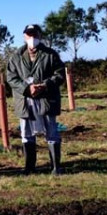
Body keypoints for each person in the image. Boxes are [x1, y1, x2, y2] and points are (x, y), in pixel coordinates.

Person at [6, 24, 66, 175]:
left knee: (52, 131)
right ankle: (30, 167)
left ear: (40, 36)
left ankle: (55, 167)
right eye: (29, 35)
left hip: (46, 99)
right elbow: (11, 78)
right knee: (27, 134)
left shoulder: (51, 55)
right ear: (24, 36)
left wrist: (45, 85)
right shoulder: (15, 57)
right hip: (25, 101)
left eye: (35, 35)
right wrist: (27, 88)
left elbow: (59, 74)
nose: (32, 38)